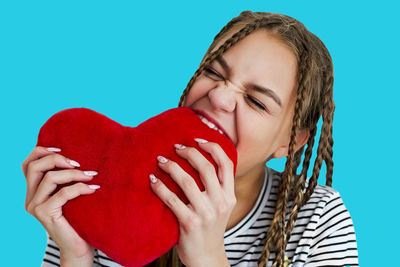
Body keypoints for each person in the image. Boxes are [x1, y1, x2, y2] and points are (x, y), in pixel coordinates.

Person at [22, 11, 358, 267]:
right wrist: (75, 255)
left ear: (290, 143)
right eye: (213, 72)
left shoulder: (315, 220)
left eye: (256, 101)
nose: (220, 98)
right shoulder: (94, 188)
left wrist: (209, 258)